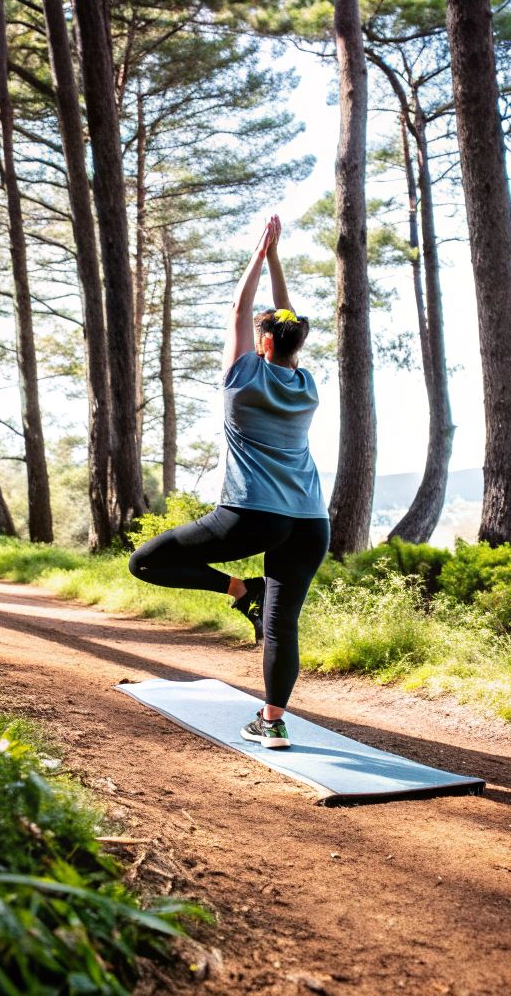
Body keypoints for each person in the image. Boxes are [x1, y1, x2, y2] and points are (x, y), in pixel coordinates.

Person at [127, 214, 330, 749]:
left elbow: (241, 310)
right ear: (292, 344)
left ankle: (241, 590)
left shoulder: (242, 378)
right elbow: (283, 320)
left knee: (145, 562)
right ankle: (273, 722)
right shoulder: (306, 384)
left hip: (252, 515)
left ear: (262, 344)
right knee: (282, 623)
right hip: (311, 521)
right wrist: (276, 258)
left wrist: (259, 255)